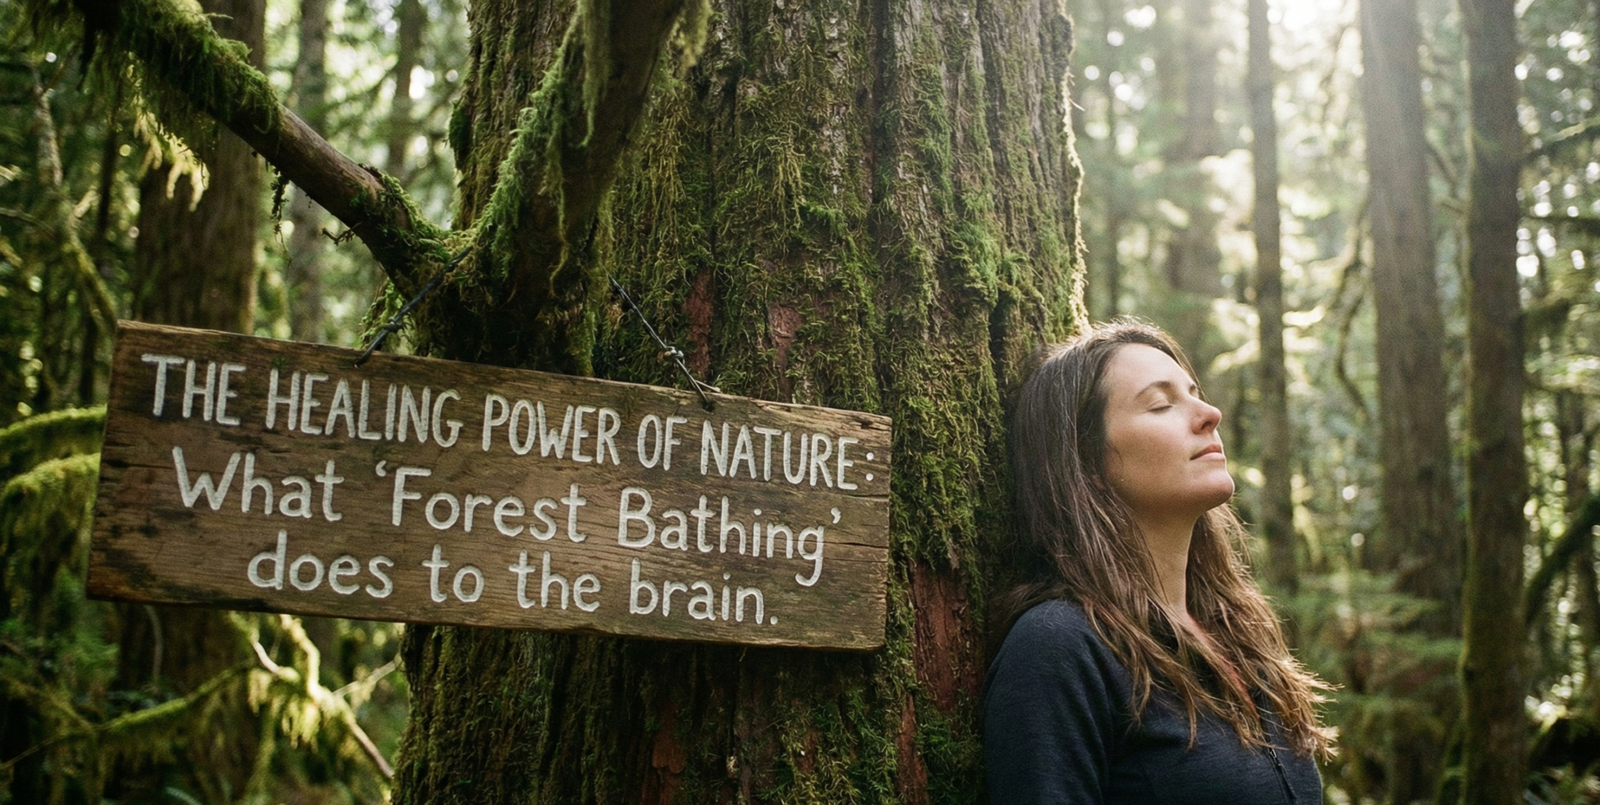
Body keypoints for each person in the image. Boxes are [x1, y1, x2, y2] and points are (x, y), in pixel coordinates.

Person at [985, 320, 1332, 804]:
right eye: (1161, 404)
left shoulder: (1235, 635)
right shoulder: (1061, 647)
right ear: (1086, 460)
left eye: (1195, 393)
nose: (1210, 413)